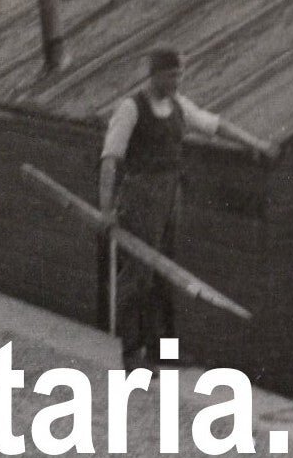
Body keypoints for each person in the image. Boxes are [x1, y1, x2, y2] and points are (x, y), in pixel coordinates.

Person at [99, 49, 274, 369]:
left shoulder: (179, 106)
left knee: (166, 274)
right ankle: (132, 354)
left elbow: (216, 125)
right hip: (139, 198)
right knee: (137, 276)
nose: (177, 81)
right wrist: (106, 209)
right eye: (171, 75)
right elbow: (110, 159)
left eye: (180, 74)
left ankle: (163, 351)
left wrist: (255, 143)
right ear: (154, 75)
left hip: (170, 198)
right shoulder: (131, 108)